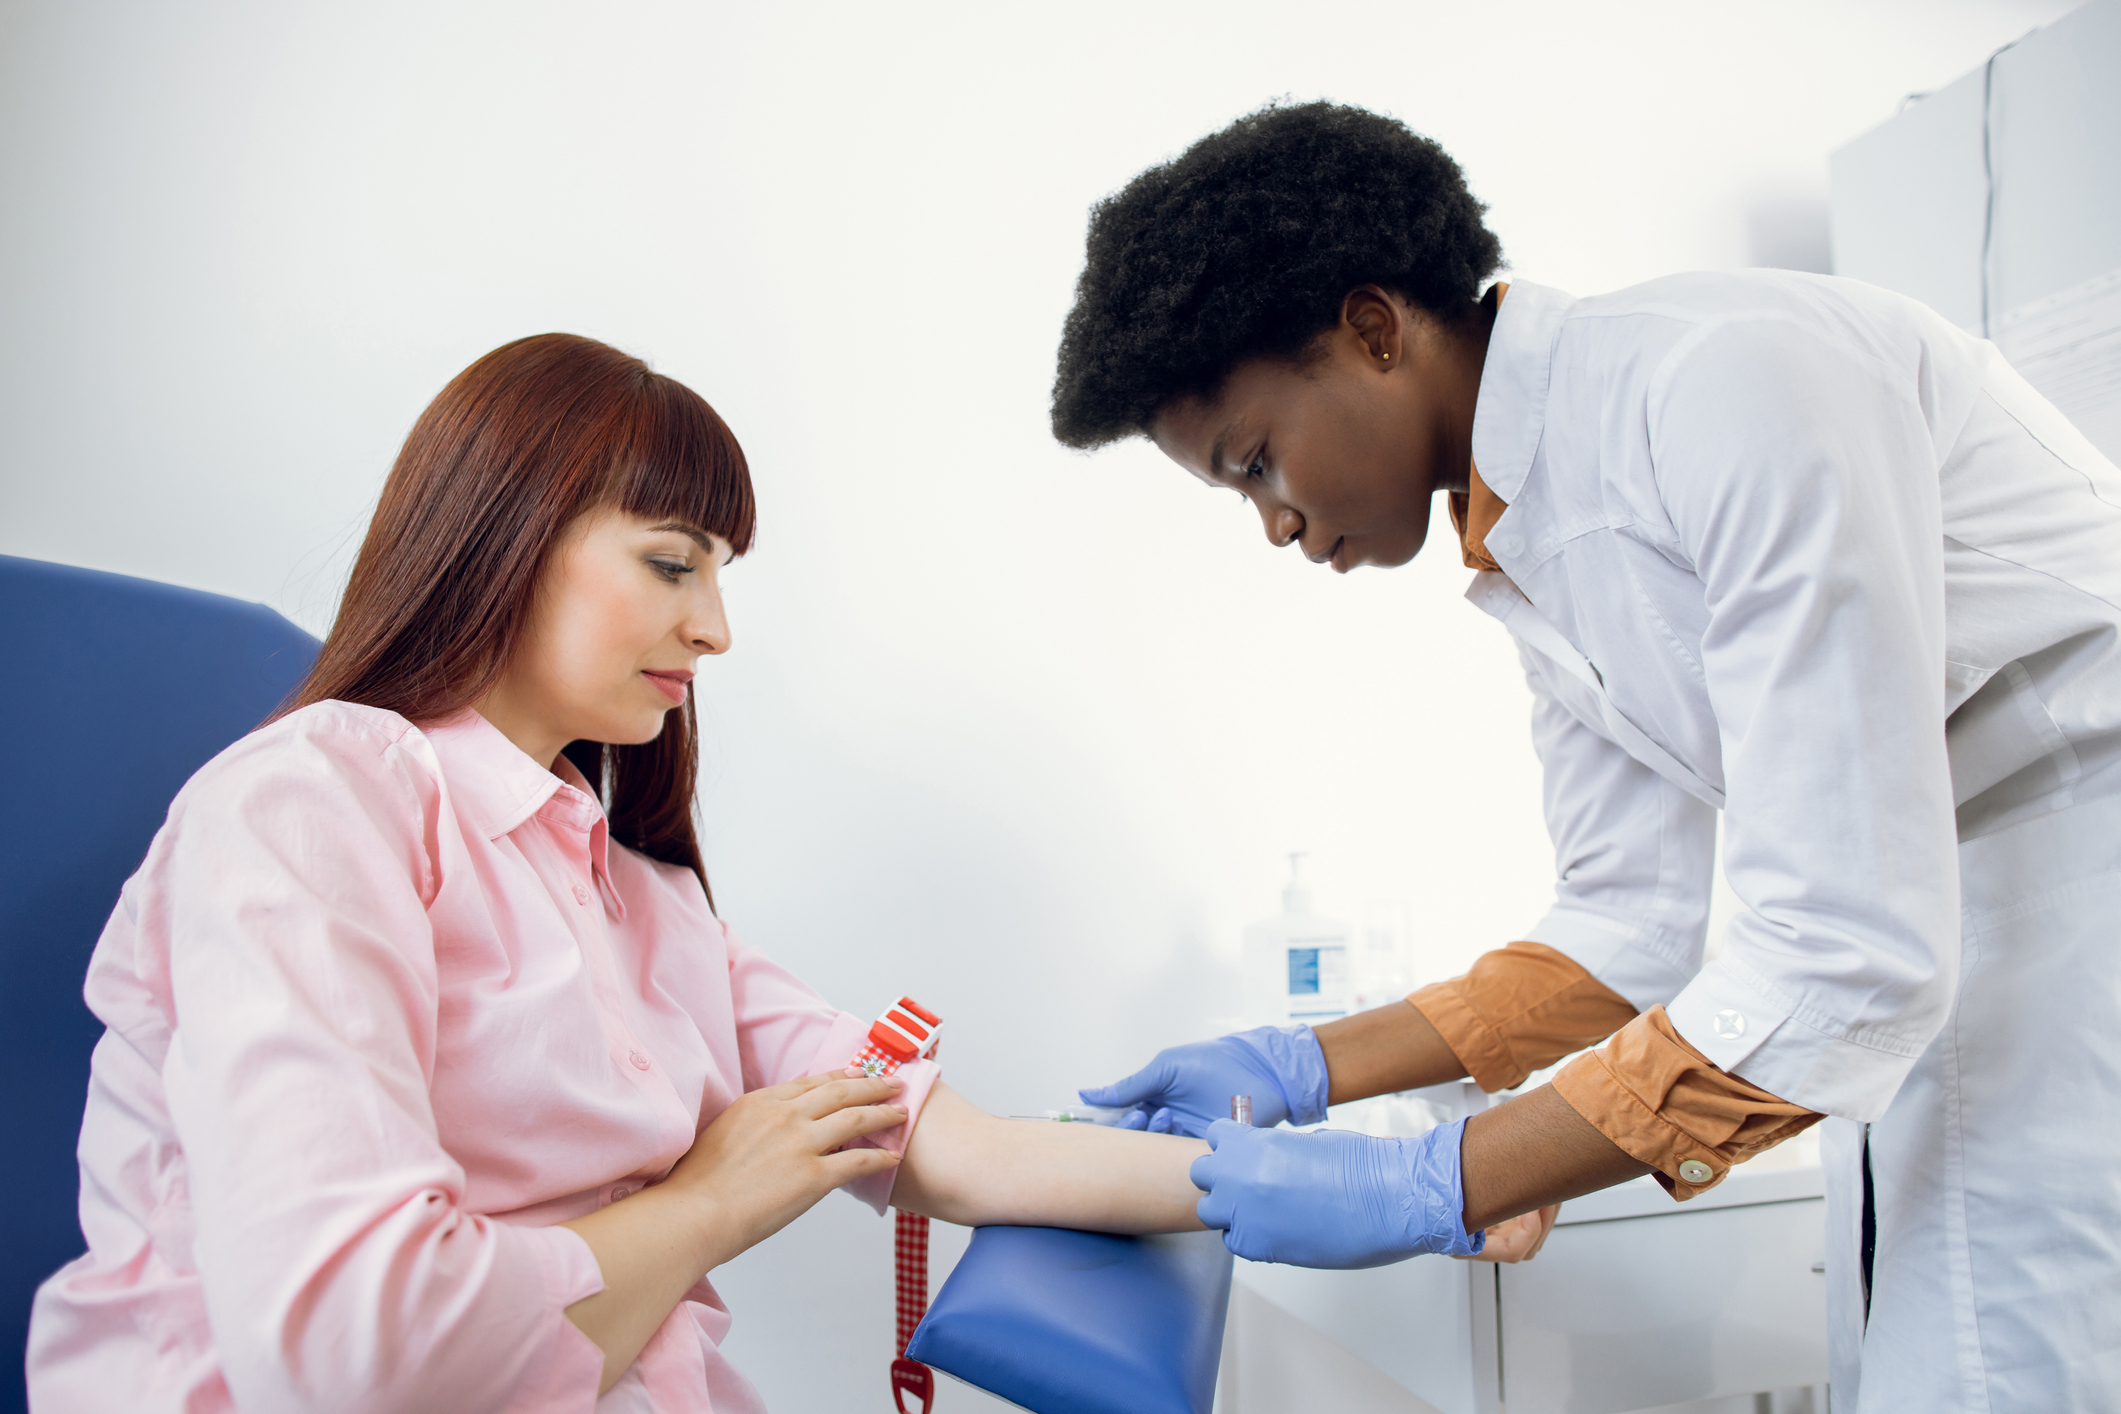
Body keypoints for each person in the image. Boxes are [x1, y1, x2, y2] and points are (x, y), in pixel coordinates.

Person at [1062, 101, 2121, 1410]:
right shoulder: (1527, 535)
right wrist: (1305, 1063)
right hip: (1964, 937)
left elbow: (1844, 947)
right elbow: (1627, 921)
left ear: (1373, 331)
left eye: (1257, 463)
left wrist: (1447, 1177)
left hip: (2075, 880)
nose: (1275, 526)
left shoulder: (1723, 383)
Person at [25, 333, 1208, 1414]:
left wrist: (1297, 1177)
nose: (716, 628)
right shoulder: (308, 808)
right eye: (670, 563)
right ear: (506, 535)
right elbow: (356, 1351)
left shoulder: (641, 898)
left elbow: (946, 1146)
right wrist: (707, 1204)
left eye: (719, 573)